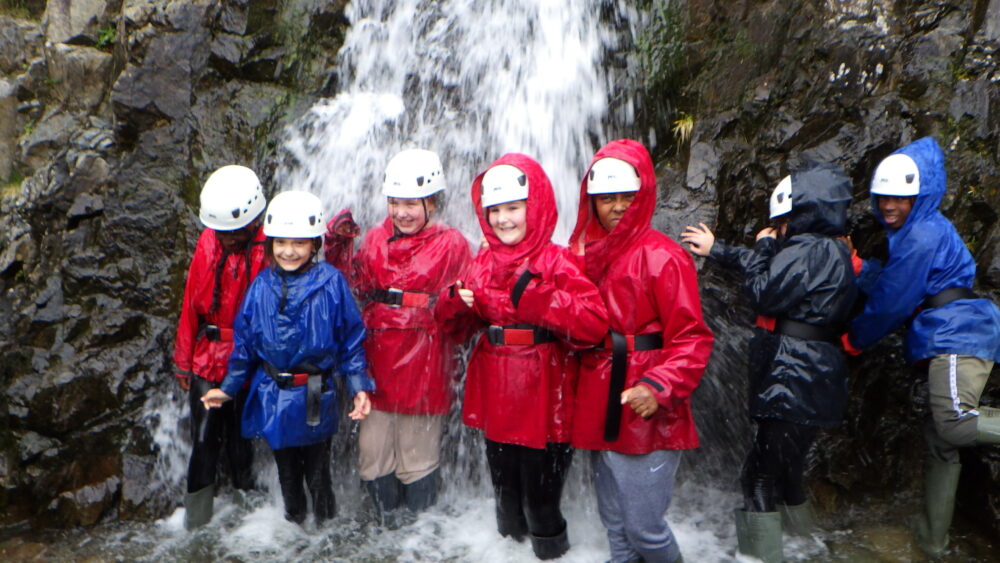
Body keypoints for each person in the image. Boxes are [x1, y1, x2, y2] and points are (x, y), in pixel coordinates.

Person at [436, 153, 609, 559]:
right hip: (498, 395)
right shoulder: (483, 262)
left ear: (535, 208)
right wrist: (452, 304)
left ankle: (552, 552)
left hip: (547, 399)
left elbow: (593, 324)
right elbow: (457, 332)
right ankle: (510, 550)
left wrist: (537, 298)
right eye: (494, 210)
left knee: (541, 504)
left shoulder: (557, 260)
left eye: (512, 208)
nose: (502, 219)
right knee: (507, 498)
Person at [682, 163, 856, 563]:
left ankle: (762, 557)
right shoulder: (831, 250)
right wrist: (720, 250)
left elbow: (762, 290)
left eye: (780, 225)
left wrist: (762, 245)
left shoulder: (806, 250)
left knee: (758, 479)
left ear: (799, 214)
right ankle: (808, 547)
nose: (777, 232)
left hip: (790, 376)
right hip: (819, 376)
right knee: (789, 474)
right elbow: (778, 270)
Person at [845, 137, 1000, 557]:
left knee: (953, 422)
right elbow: (894, 280)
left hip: (957, 333)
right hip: (952, 331)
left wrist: (855, 337)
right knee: (941, 442)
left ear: (920, 195)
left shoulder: (922, 233)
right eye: (883, 198)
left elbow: (894, 300)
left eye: (900, 198)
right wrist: (858, 269)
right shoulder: (917, 232)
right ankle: (932, 542)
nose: (889, 206)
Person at [569, 139, 713, 563]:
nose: (616, 207)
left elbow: (692, 338)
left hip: (645, 405)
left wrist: (658, 385)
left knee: (645, 529)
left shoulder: (664, 258)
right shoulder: (584, 257)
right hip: (600, 396)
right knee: (615, 525)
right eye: (606, 198)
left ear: (643, 195)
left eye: (625, 197)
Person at [201, 190, 374, 525]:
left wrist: (359, 387)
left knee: (318, 471)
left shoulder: (330, 283)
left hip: (312, 390)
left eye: (299, 243)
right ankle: (295, 529)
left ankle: (325, 530)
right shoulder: (261, 286)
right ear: (270, 245)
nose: (289, 251)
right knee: (287, 473)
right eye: (281, 243)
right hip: (274, 392)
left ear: (314, 245)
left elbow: (350, 341)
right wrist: (228, 389)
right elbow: (245, 347)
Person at [323, 149, 472, 523]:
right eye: (395, 203)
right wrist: (339, 246)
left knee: (417, 455)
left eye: (411, 204)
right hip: (378, 357)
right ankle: (384, 529)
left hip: (426, 358)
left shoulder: (452, 243)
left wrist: (455, 302)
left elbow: (466, 306)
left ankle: (418, 533)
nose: (402, 212)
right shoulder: (374, 238)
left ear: (432, 203)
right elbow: (352, 286)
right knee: (373, 454)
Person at [173, 165, 267, 530]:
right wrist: (183, 362)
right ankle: (195, 521)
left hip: (248, 360)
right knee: (204, 439)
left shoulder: (268, 246)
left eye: (233, 233)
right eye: (221, 233)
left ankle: (249, 521)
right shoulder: (208, 242)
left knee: (244, 443)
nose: (226, 239)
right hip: (207, 358)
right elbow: (190, 305)